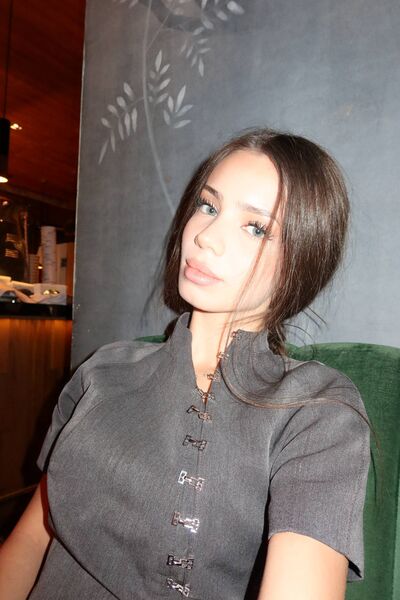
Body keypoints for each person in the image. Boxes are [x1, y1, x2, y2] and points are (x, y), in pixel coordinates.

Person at [0, 127, 371, 600]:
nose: (205, 237)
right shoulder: (103, 371)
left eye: (256, 228)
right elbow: (33, 539)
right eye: (209, 206)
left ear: (304, 260)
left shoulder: (318, 411)